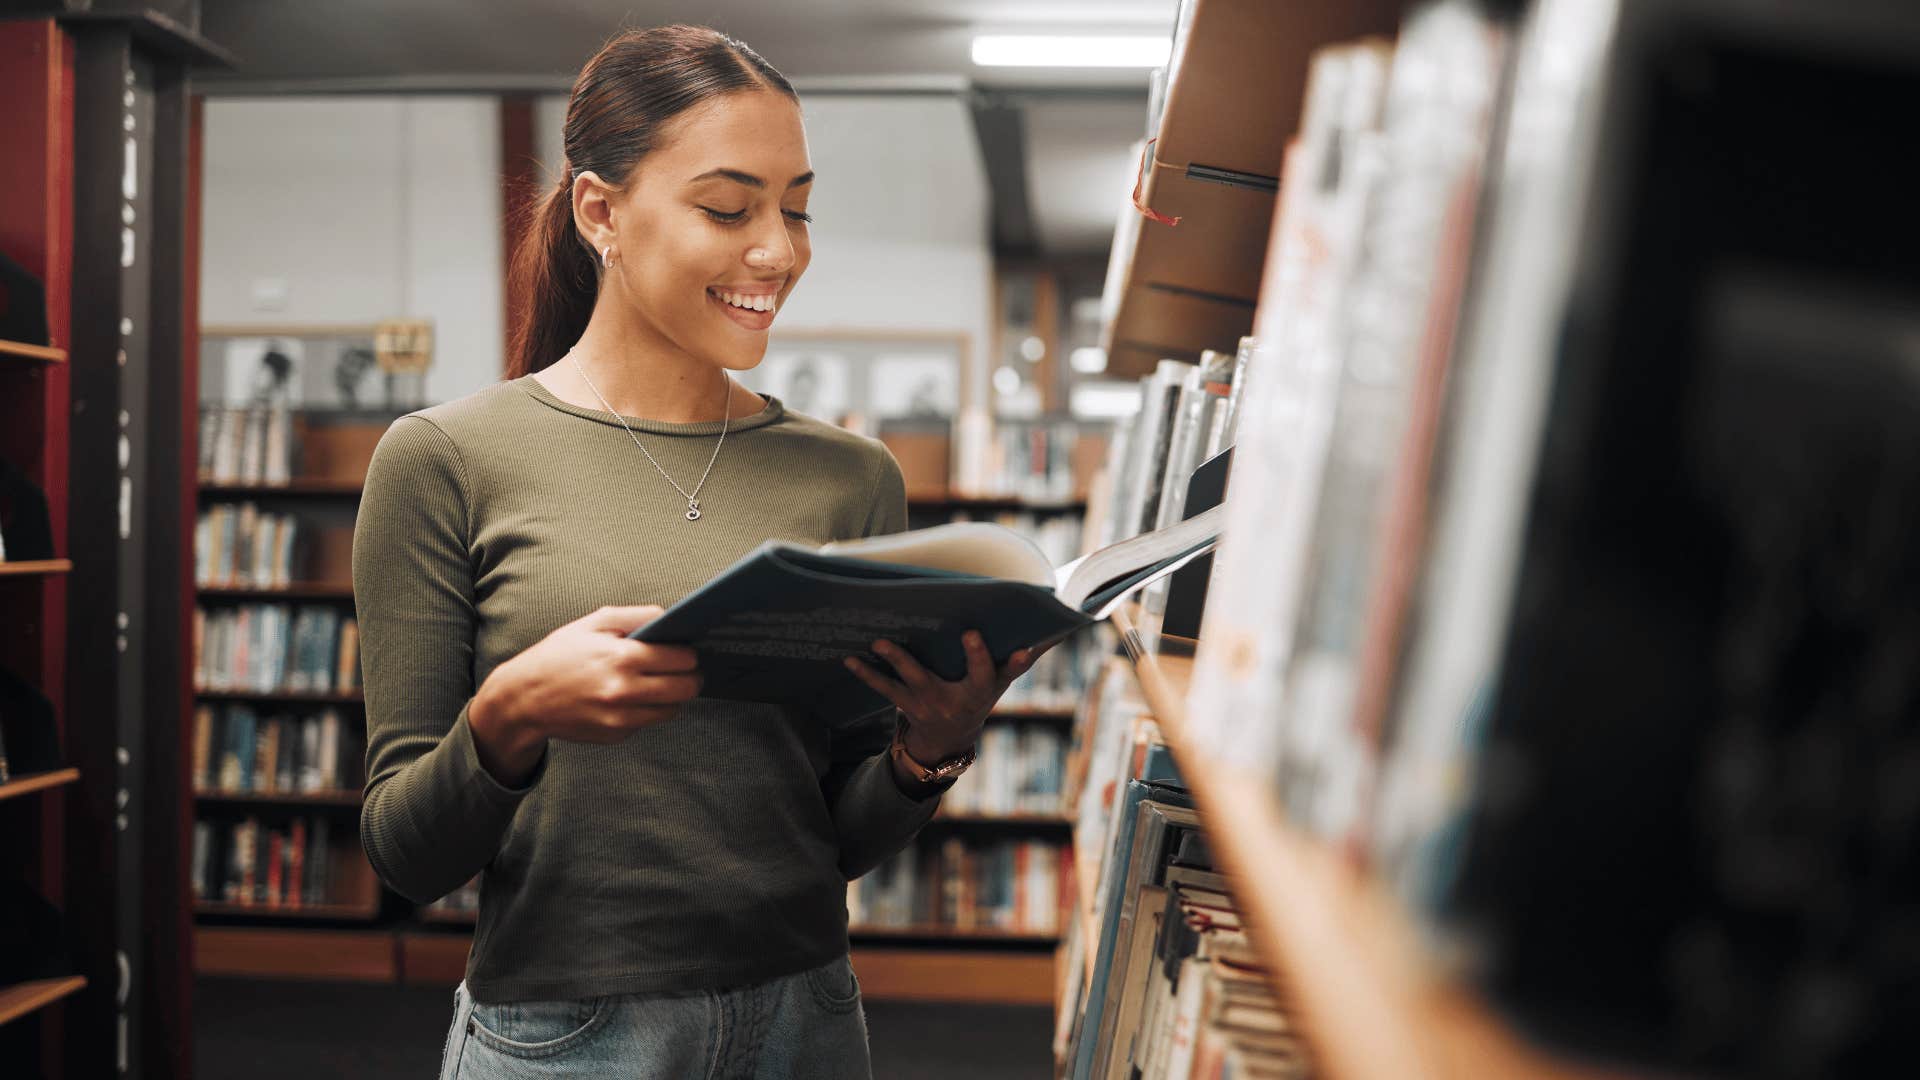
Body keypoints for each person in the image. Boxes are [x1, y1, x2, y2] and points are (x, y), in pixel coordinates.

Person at [350, 25, 1044, 1080]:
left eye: (796, 207)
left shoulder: (851, 478)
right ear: (601, 212)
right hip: (565, 1032)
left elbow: (836, 841)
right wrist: (510, 716)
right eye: (730, 208)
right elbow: (407, 851)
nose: (779, 249)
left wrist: (926, 754)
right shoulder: (445, 460)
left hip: (809, 1021)